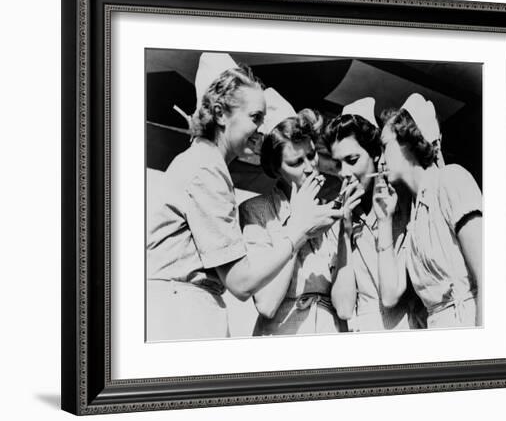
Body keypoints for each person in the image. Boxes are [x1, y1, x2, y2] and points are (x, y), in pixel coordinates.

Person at [146, 53, 340, 341]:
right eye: (256, 118)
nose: (263, 129)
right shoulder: (206, 169)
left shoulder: (205, 163)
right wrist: (299, 229)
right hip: (183, 311)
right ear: (221, 113)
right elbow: (240, 282)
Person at [374, 93, 482, 328]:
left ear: (409, 140)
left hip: (467, 324)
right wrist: (384, 221)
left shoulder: (451, 179)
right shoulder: (414, 214)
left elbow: (489, 275)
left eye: (384, 147)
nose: (380, 161)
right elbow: (390, 295)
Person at [239, 102, 347, 335]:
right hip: (282, 334)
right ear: (275, 169)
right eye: (296, 162)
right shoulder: (256, 211)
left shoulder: (330, 212)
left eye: (311, 155)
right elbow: (266, 305)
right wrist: (299, 229)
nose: (310, 168)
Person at [322, 97, 416, 332]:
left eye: (352, 160)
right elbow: (344, 309)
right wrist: (344, 233)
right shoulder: (339, 219)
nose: (344, 173)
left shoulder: (406, 206)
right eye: (337, 164)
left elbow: (393, 295)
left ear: (376, 154)